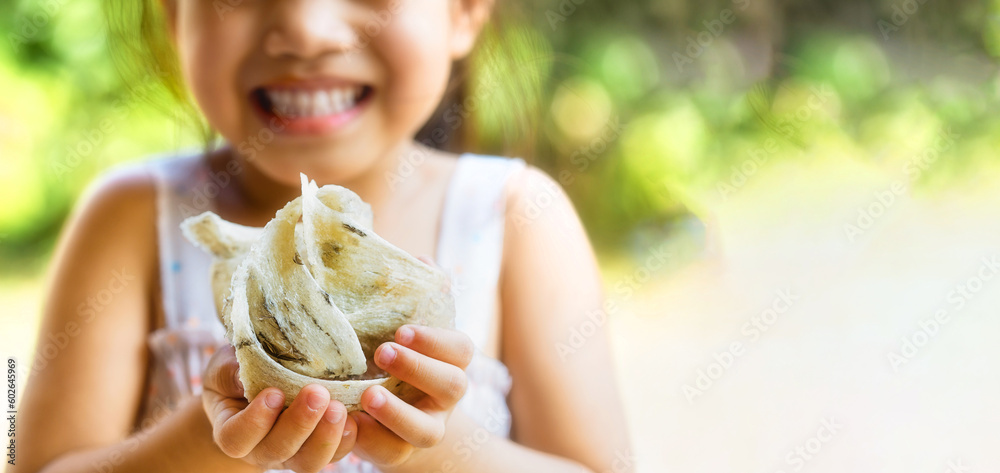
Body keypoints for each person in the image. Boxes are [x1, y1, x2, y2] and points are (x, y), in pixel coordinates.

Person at [14, 0, 631, 472]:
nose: (305, 30)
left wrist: (430, 442)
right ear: (175, 17)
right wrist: (219, 436)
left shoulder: (515, 219)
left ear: (464, 11)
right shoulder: (132, 219)